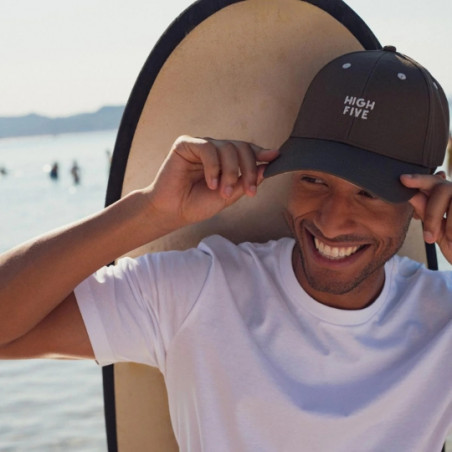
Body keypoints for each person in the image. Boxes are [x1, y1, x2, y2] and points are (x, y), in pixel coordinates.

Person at [0, 48, 451, 451]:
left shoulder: (442, 317)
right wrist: (151, 211)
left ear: (423, 202)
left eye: (369, 192)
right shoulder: (199, 291)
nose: (332, 222)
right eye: (313, 179)